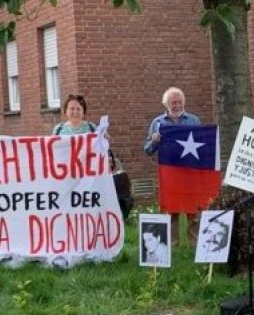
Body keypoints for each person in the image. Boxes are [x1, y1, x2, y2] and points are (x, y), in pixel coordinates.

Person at [53, 94, 133, 220]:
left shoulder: (91, 128)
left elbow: (101, 148)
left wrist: (104, 139)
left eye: (78, 109)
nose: (75, 112)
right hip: (66, 174)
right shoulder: (58, 129)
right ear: (66, 111)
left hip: (88, 175)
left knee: (86, 202)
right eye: (72, 108)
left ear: (83, 111)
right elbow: (52, 150)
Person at [143, 87, 200, 243]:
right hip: (169, 176)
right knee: (171, 212)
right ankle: (172, 248)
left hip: (190, 175)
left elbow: (202, 146)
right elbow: (147, 150)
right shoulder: (157, 123)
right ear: (166, 104)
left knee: (193, 212)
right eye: (173, 102)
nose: (177, 105)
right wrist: (154, 141)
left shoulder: (194, 121)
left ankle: (195, 248)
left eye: (180, 102)